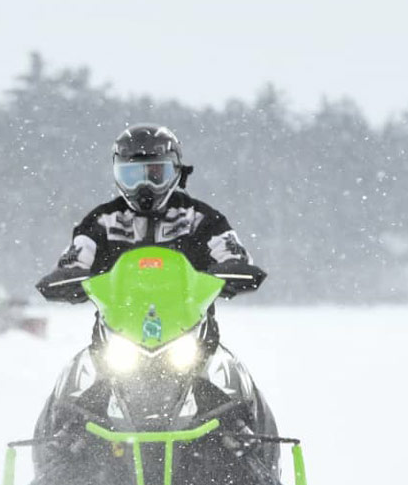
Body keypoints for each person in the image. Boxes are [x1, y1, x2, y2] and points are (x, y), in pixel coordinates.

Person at [37, 123, 265, 338]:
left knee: (231, 375)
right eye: (132, 176)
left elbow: (231, 250)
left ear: (175, 171)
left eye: (155, 174)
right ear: (117, 175)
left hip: (190, 335)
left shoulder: (199, 218)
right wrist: (68, 278)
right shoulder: (102, 221)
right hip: (119, 337)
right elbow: (76, 256)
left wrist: (234, 270)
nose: (143, 186)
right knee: (75, 376)